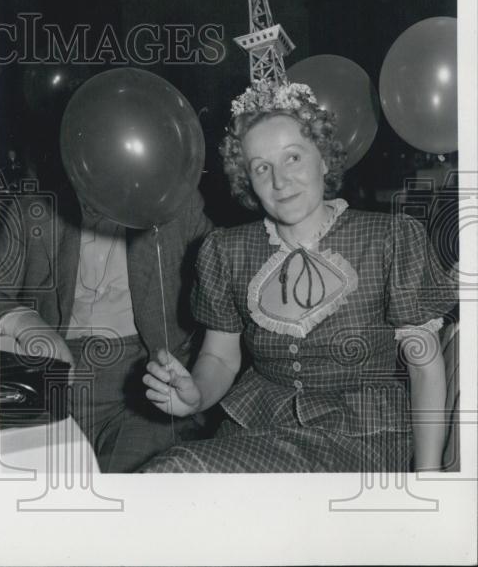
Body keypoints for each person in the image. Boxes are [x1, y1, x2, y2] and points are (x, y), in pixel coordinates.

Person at [141, 82, 456, 472]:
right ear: (247, 180)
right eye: (261, 167)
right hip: (257, 431)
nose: (279, 180)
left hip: (363, 438)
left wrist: (428, 478)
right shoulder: (226, 250)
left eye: (293, 158)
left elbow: (424, 365)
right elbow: (219, 357)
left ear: (323, 159)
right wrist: (196, 396)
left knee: (179, 470)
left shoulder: (390, 238)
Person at [0, 173, 214, 472]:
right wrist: (25, 321)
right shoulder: (33, 207)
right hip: (54, 379)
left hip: (145, 388)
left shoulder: (177, 204)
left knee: (125, 495)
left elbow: (223, 281)